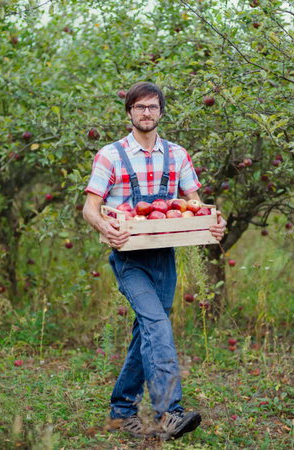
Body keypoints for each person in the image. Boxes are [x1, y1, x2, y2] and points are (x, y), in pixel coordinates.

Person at [83, 82, 226, 441]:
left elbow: (195, 204)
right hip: (128, 257)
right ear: (129, 112)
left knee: (147, 330)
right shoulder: (110, 155)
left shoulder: (177, 155)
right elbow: (90, 208)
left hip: (165, 257)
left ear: (161, 112)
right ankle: (169, 414)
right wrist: (105, 227)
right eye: (140, 107)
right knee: (159, 327)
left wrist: (213, 221)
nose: (147, 113)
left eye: (153, 107)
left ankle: (121, 411)